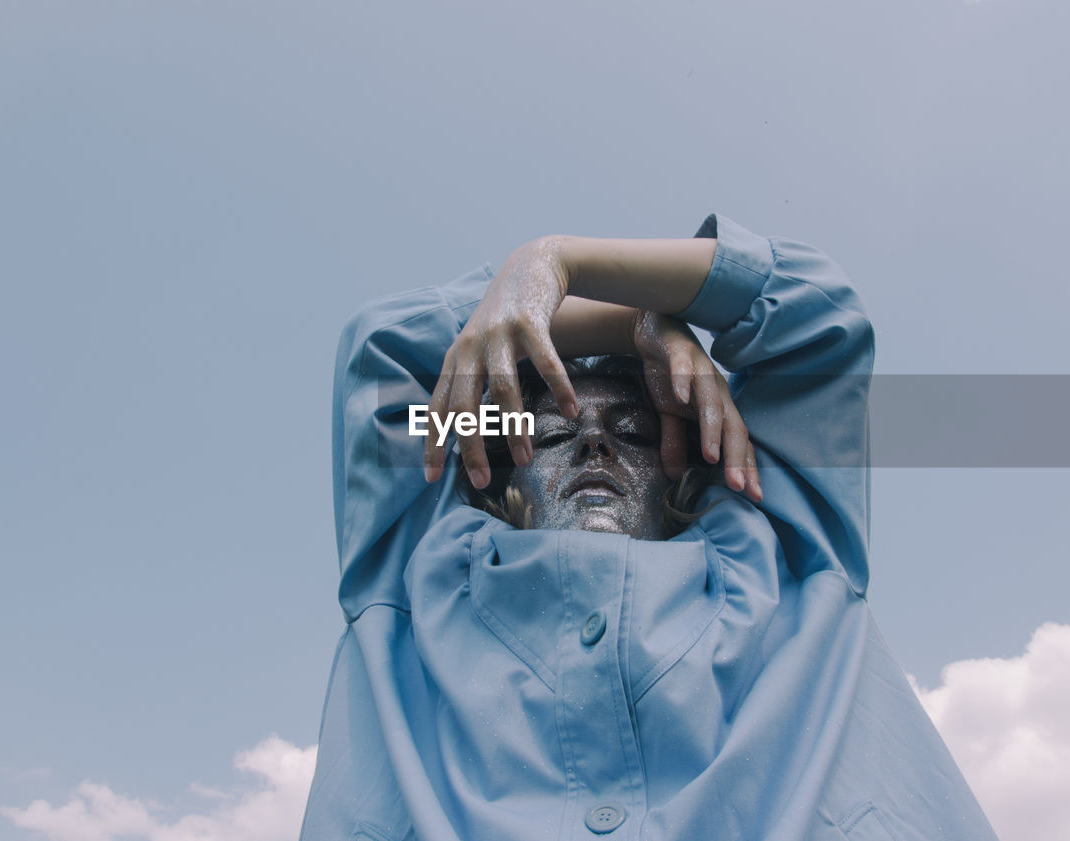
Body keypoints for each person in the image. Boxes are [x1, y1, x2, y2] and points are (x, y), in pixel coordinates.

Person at [299, 215, 998, 841]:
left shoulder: (791, 549)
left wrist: (553, 260)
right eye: (547, 434)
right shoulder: (416, 574)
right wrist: (630, 323)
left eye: (631, 430)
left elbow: (814, 309)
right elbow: (384, 353)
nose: (593, 444)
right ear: (494, 477)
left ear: (685, 474)